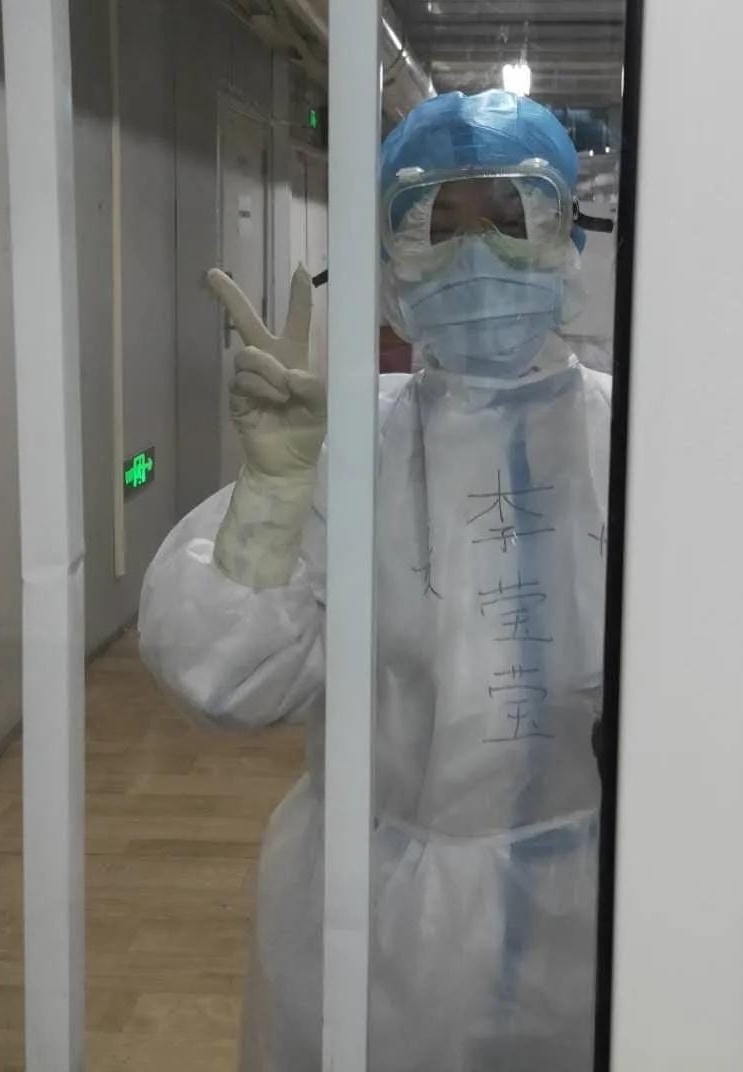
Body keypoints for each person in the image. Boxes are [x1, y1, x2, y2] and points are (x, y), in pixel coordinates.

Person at [140, 89, 612, 1072]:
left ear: (567, 234)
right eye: (437, 225)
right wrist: (274, 492)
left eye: (508, 217)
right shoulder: (351, 447)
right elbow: (223, 679)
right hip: (372, 913)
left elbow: (708, 682)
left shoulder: (633, 442)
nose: (476, 257)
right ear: (394, 263)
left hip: (592, 911)